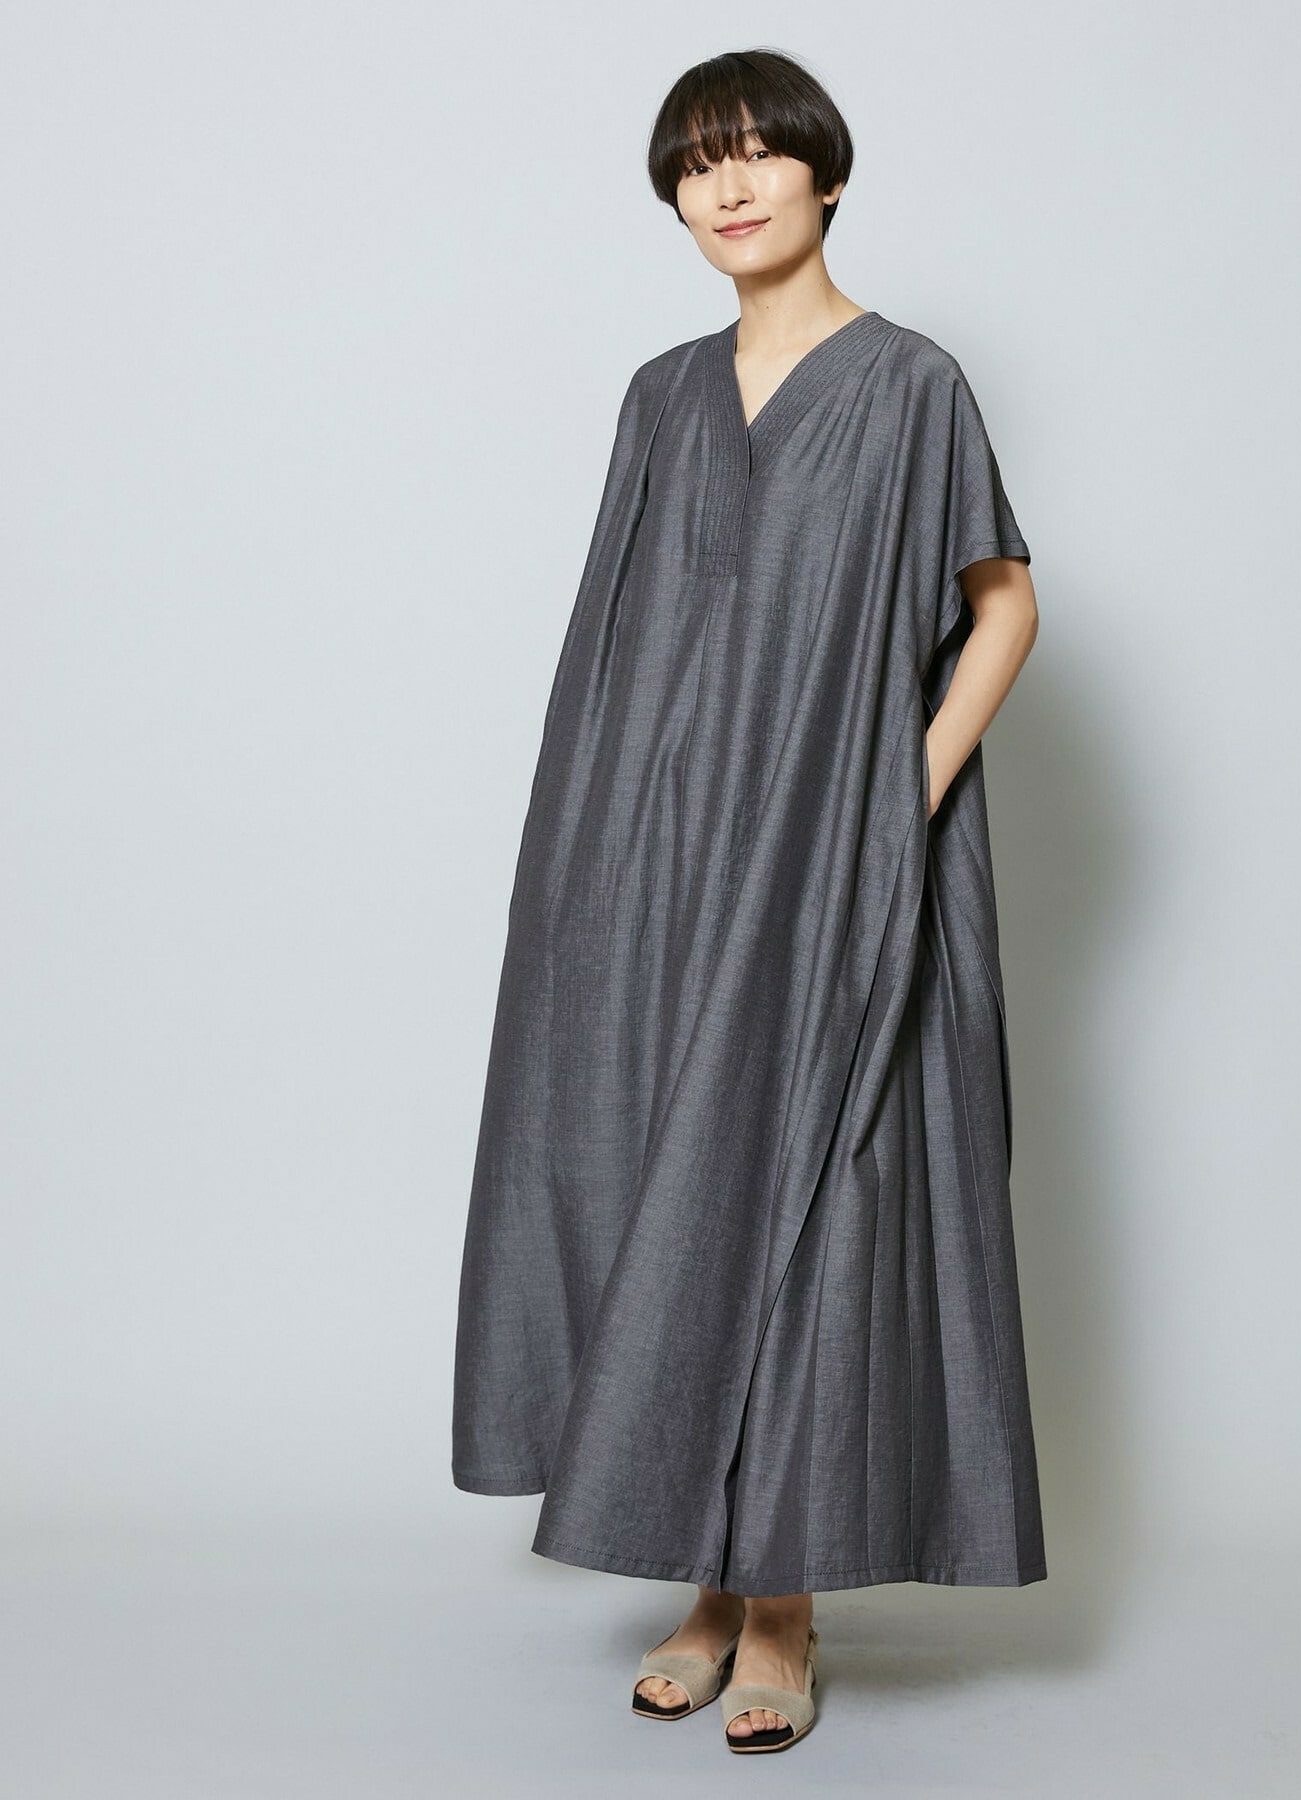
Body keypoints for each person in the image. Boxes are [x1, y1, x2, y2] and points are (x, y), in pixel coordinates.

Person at [452, 47, 1046, 1755]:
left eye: (759, 154)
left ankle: (780, 1610)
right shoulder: (660, 396)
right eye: (696, 164)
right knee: (669, 1187)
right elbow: (617, 645)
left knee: (817, 1196)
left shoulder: (911, 384)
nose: (728, 186)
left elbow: (1004, 605)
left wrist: (898, 793)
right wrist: (586, 861)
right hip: (653, 861)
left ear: (824, 175)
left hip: (830, 857)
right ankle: (704, 1585)